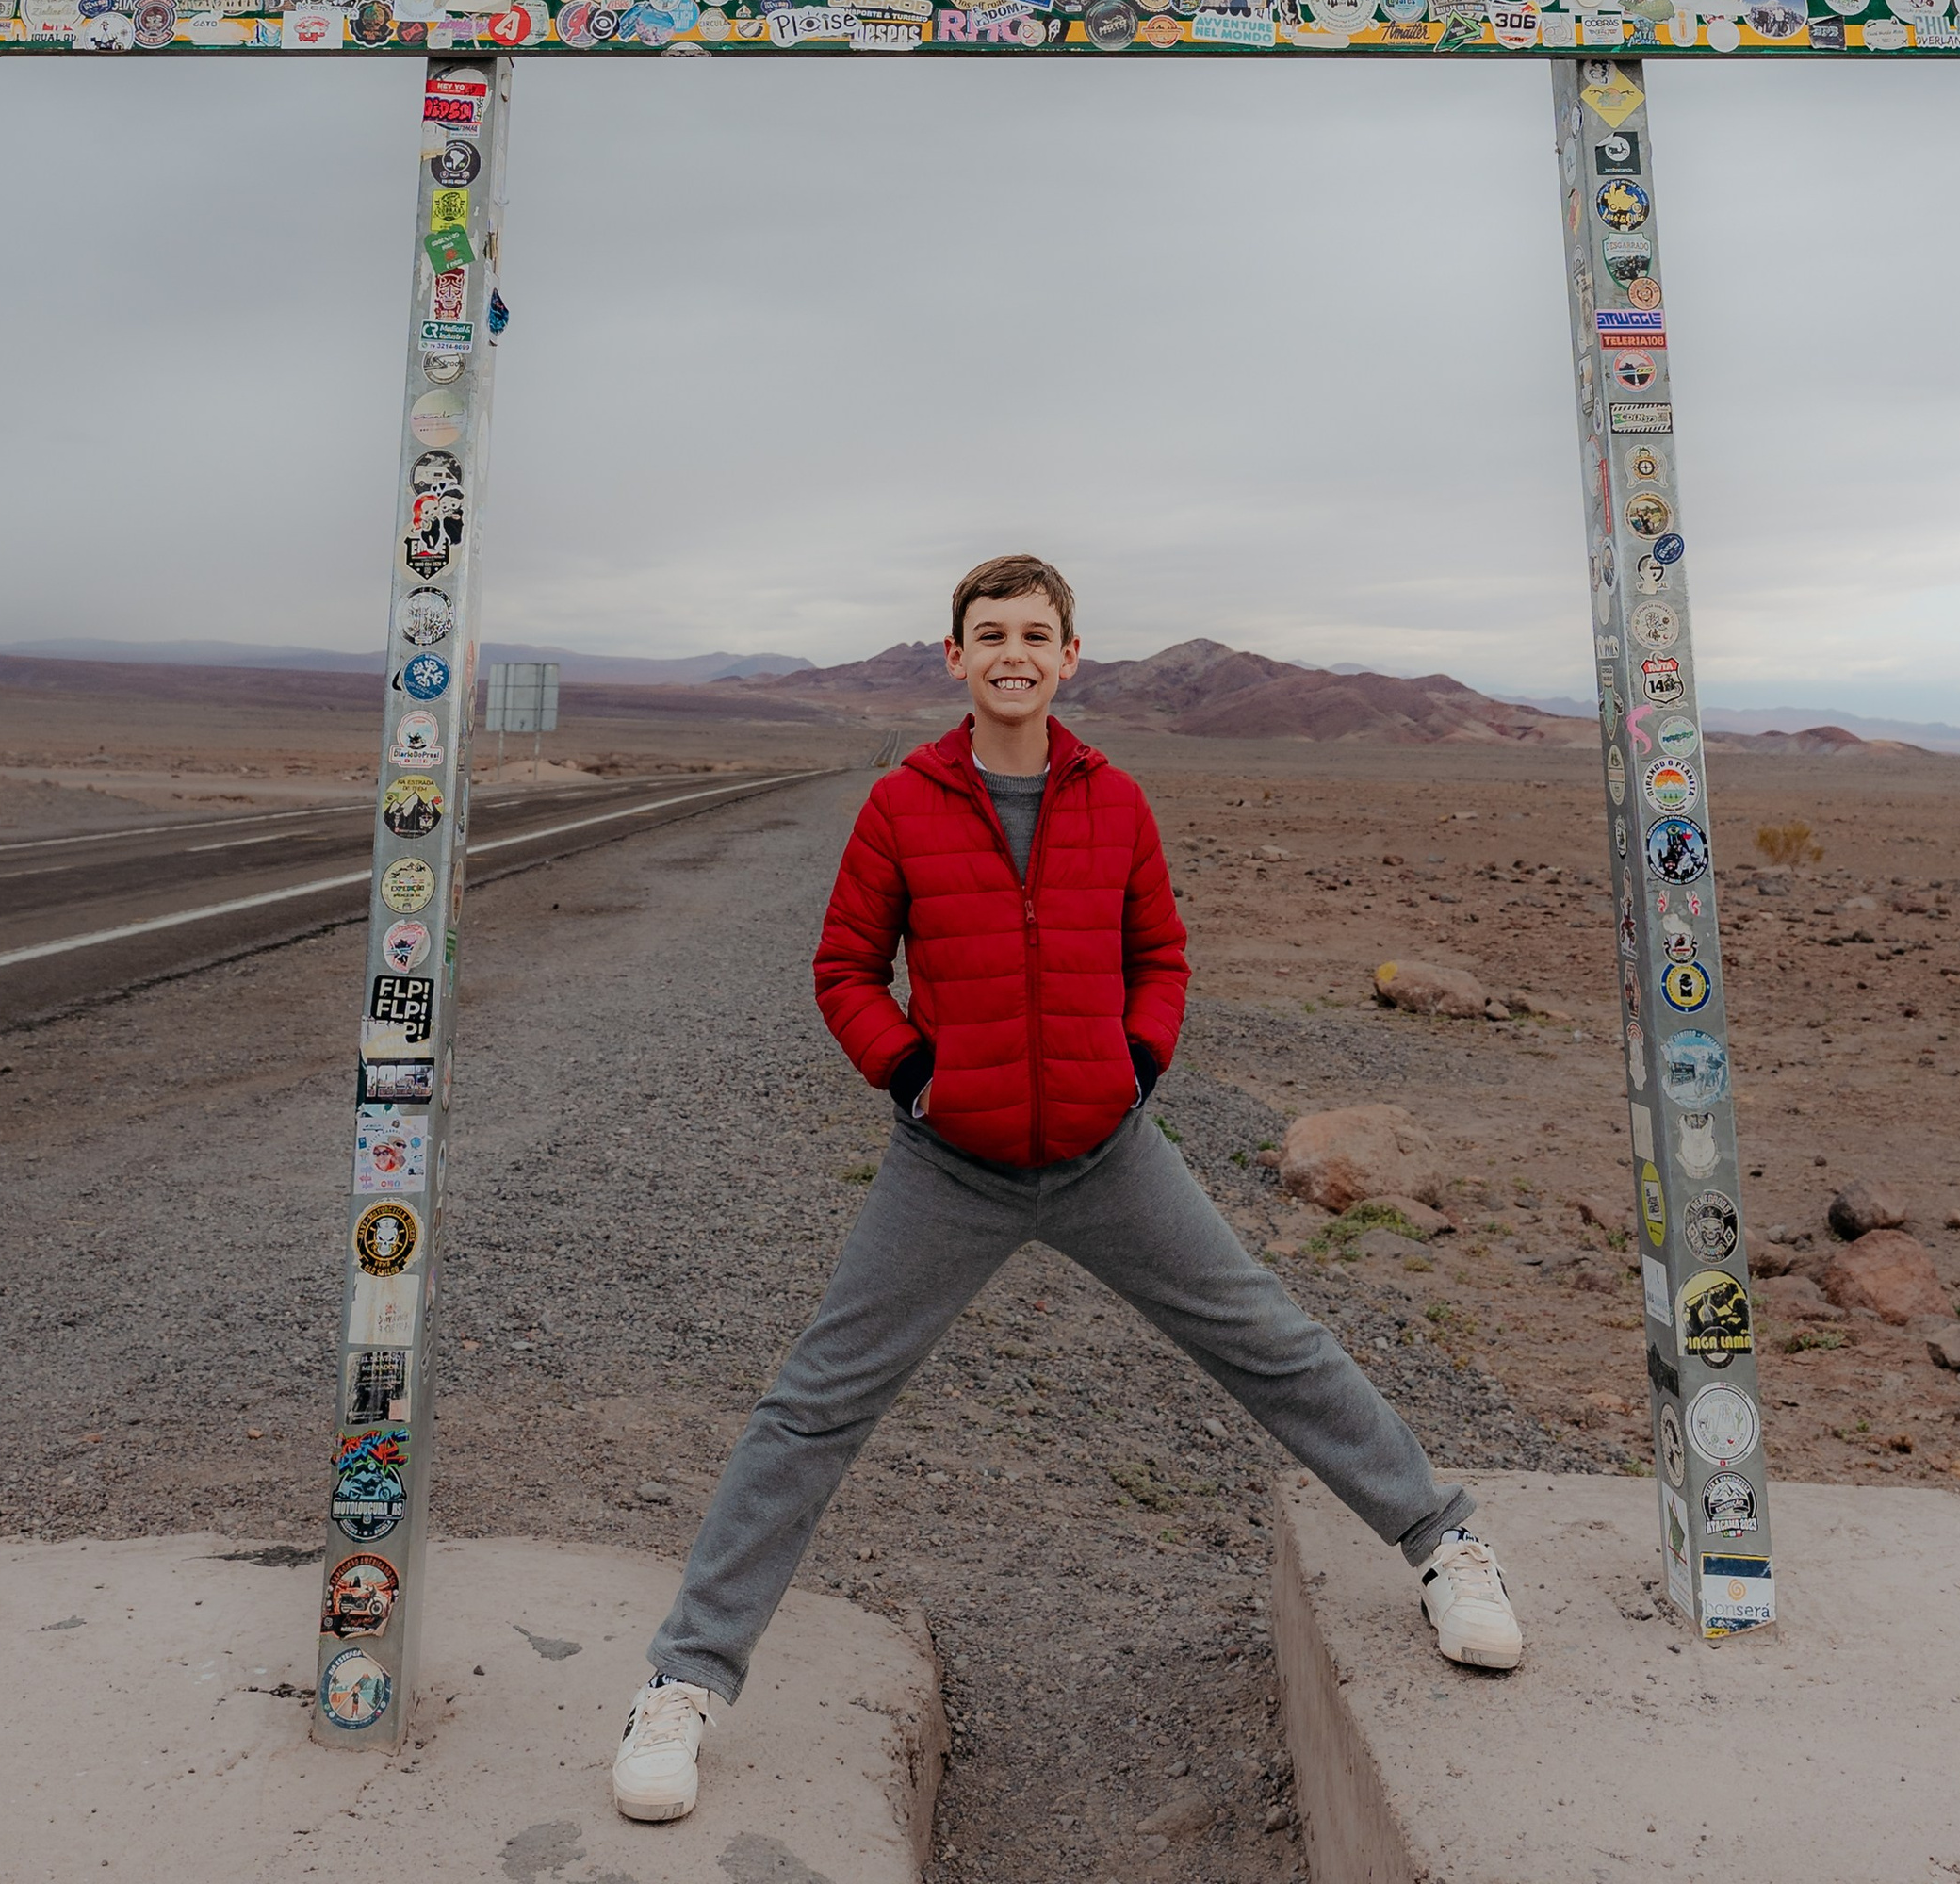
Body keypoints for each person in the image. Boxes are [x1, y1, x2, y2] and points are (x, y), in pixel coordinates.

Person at [612, 552, 1523, 1828]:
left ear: (1070, 655)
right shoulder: (902, 802)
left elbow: (1161, 951)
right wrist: (913, 1072)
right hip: (953, 1167)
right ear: (954, 656)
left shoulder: (1117, 800)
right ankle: (684, 1684)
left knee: (1271, 1340)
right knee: (812, 1405)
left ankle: (1445, 1542)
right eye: (990, 633)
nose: (1013, 654)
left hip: (1108, 1155)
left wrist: (1138, 1060)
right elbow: (844, 968)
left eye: (1036, 633)